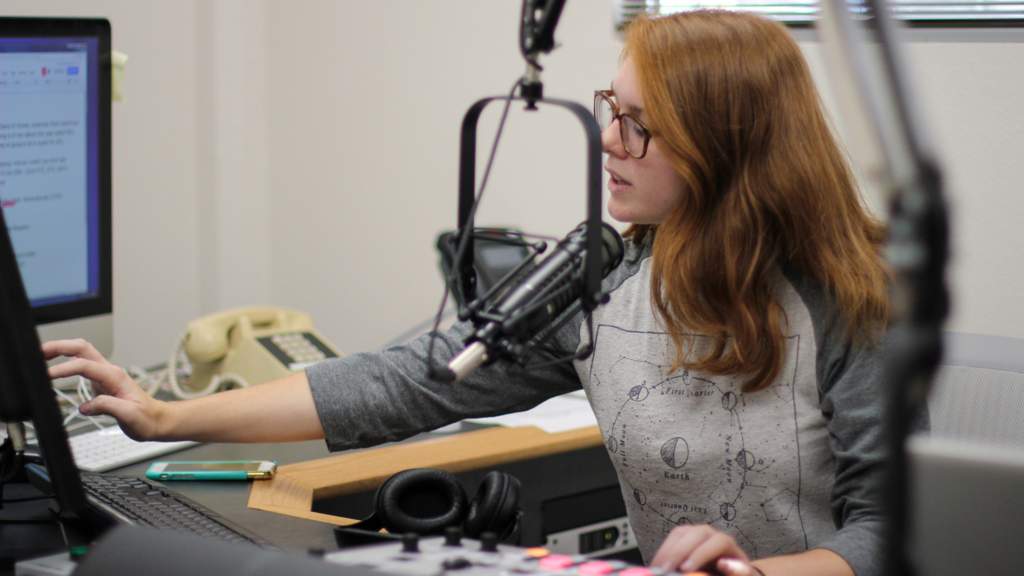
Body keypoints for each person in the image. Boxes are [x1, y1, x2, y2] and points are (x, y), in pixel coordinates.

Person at [43, 10, 904, 576]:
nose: (607, 138)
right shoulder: (604, 278)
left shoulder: (844, 299)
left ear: (723, 144)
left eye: (639, 124)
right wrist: (162, 414)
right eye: (612, 106)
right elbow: (410, 382)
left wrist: (754, 574)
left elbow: (889, 531)